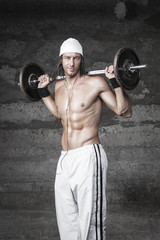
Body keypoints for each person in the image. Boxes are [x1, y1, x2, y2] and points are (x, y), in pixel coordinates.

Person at [38, 38, 132, 240]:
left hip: (89, 156)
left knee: (91, 222)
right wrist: (43, 92)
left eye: (76, 58)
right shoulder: (59, 86)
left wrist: (115, 82)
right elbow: (60, 114)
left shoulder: (95, 83)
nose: (71, 63)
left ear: (81, 60)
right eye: (67, 58)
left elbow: (124, 111)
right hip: (65, 159)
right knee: (67, 221)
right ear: (60, 60)